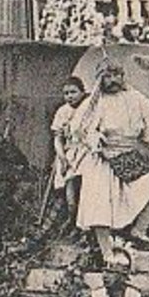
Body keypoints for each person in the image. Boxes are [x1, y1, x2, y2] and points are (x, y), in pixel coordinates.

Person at [73, 58, 149, 258]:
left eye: (117, 75)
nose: (113, 80)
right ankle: (107, 252)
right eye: (107, 76)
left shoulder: (135, 98)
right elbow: (79, 127)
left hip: (129, 155)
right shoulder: (93, 102)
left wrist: (147, 144)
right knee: (100, 203)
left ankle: (139, 231)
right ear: (100, 80)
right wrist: (95, 138)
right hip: (102, 158)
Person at [49, 76, 91, 224]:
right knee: (68, 189)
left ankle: (83, 225)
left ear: (82, 92)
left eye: (73, 92)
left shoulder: (89, 108)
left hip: (87, 152)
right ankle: (70, 220)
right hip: (68, 153)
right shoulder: (63, 111)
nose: (69, 96)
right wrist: (62, 157)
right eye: (66, 93)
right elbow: (58, 138)